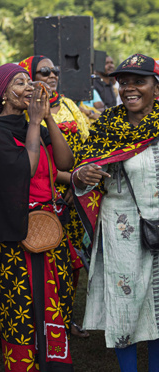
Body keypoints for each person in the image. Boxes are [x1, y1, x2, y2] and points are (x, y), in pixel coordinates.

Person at [0, 63, 75, 371]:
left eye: (28, 81)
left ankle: (55, 363)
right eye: (19, 83)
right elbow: (26, 169)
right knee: (22, 307)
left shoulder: (36, 125)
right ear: (3, 94)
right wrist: (34, 122)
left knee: (54, 300)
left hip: (49, 228)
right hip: (15, 234)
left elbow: (65, 160)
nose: (28, 87)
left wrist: (46, 117)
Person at [73, 53, 159, 372]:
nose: (129, 88)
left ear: (156, 87)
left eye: (139, 81)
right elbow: (83, 164)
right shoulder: (108, 123)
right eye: (124, 82)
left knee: (158, 307)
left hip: (158, 225)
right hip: (121, 229)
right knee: (125, 306)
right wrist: (83, 175)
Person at [19, 55, 90, 337]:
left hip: (77, 193)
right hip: (43, 198)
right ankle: (43, 324)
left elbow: (86, 144)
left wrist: (79, 183)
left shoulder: (70, 104)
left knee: (71, 264)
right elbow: (32, 162)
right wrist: (71, 180)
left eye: (55, 70)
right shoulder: (28, 110)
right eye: (44, 71)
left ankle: (66, 317)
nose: (52, 75)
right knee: (45, 262)